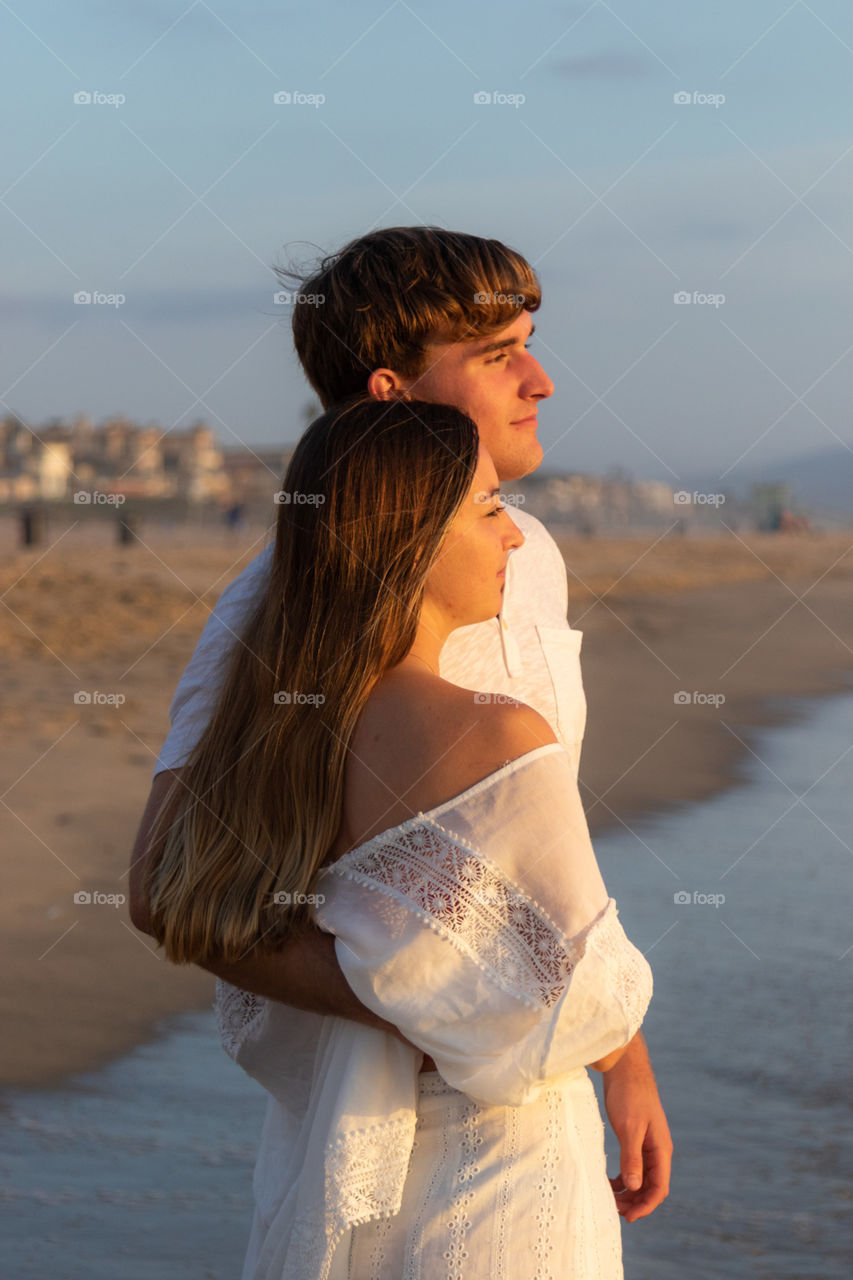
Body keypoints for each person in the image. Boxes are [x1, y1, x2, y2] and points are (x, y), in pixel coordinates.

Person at [128, 226, 672, 1224]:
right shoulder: (281, 596)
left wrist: (624, 1056)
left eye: (530, 343)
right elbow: (164, 880)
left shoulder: (525, 556)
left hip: (530, 1113)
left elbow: (535, 856)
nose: (541, 380)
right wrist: (411, 1012)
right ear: (389, 394)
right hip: (359, 1124)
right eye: (500, 356)